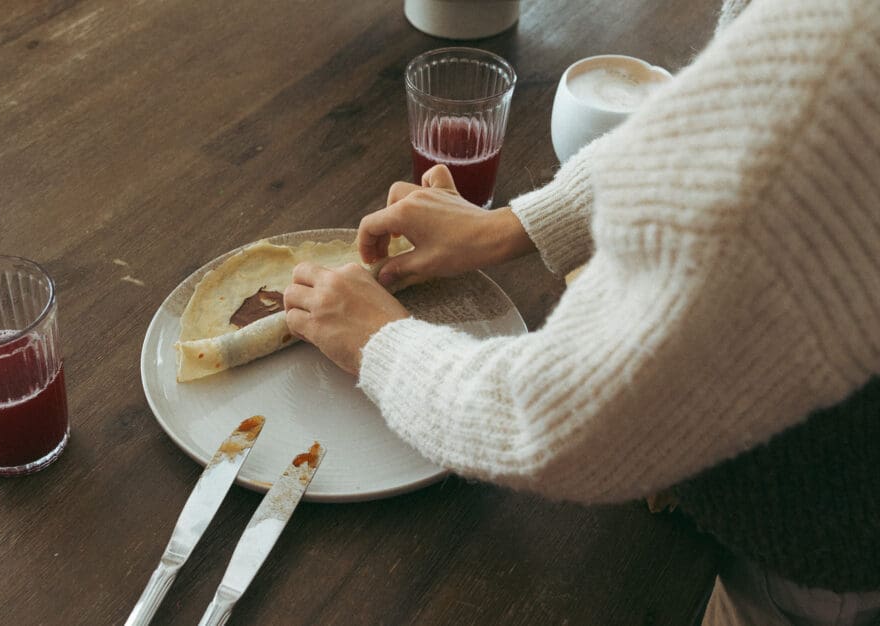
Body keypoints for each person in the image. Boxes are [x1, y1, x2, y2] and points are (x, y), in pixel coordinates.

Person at [282, 0, 880, 623]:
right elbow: (729, 114)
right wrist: (517, 224)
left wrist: (378, 341)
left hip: (814, 565)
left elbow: (557, 422)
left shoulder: (848, 46)